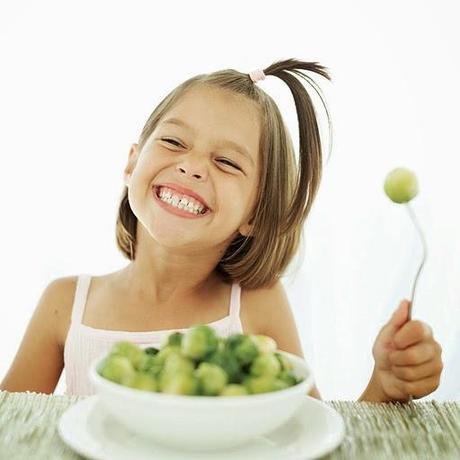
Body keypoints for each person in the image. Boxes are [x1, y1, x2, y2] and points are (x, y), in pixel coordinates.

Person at [1, 59, 443, 401]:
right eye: (174, 142)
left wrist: (386, 384)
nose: (191, 167)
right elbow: (13, 426)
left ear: (255, 213)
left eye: (227, 162)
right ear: (133, 161)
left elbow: (313, 435)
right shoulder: (66, 304)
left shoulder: (255, 304)